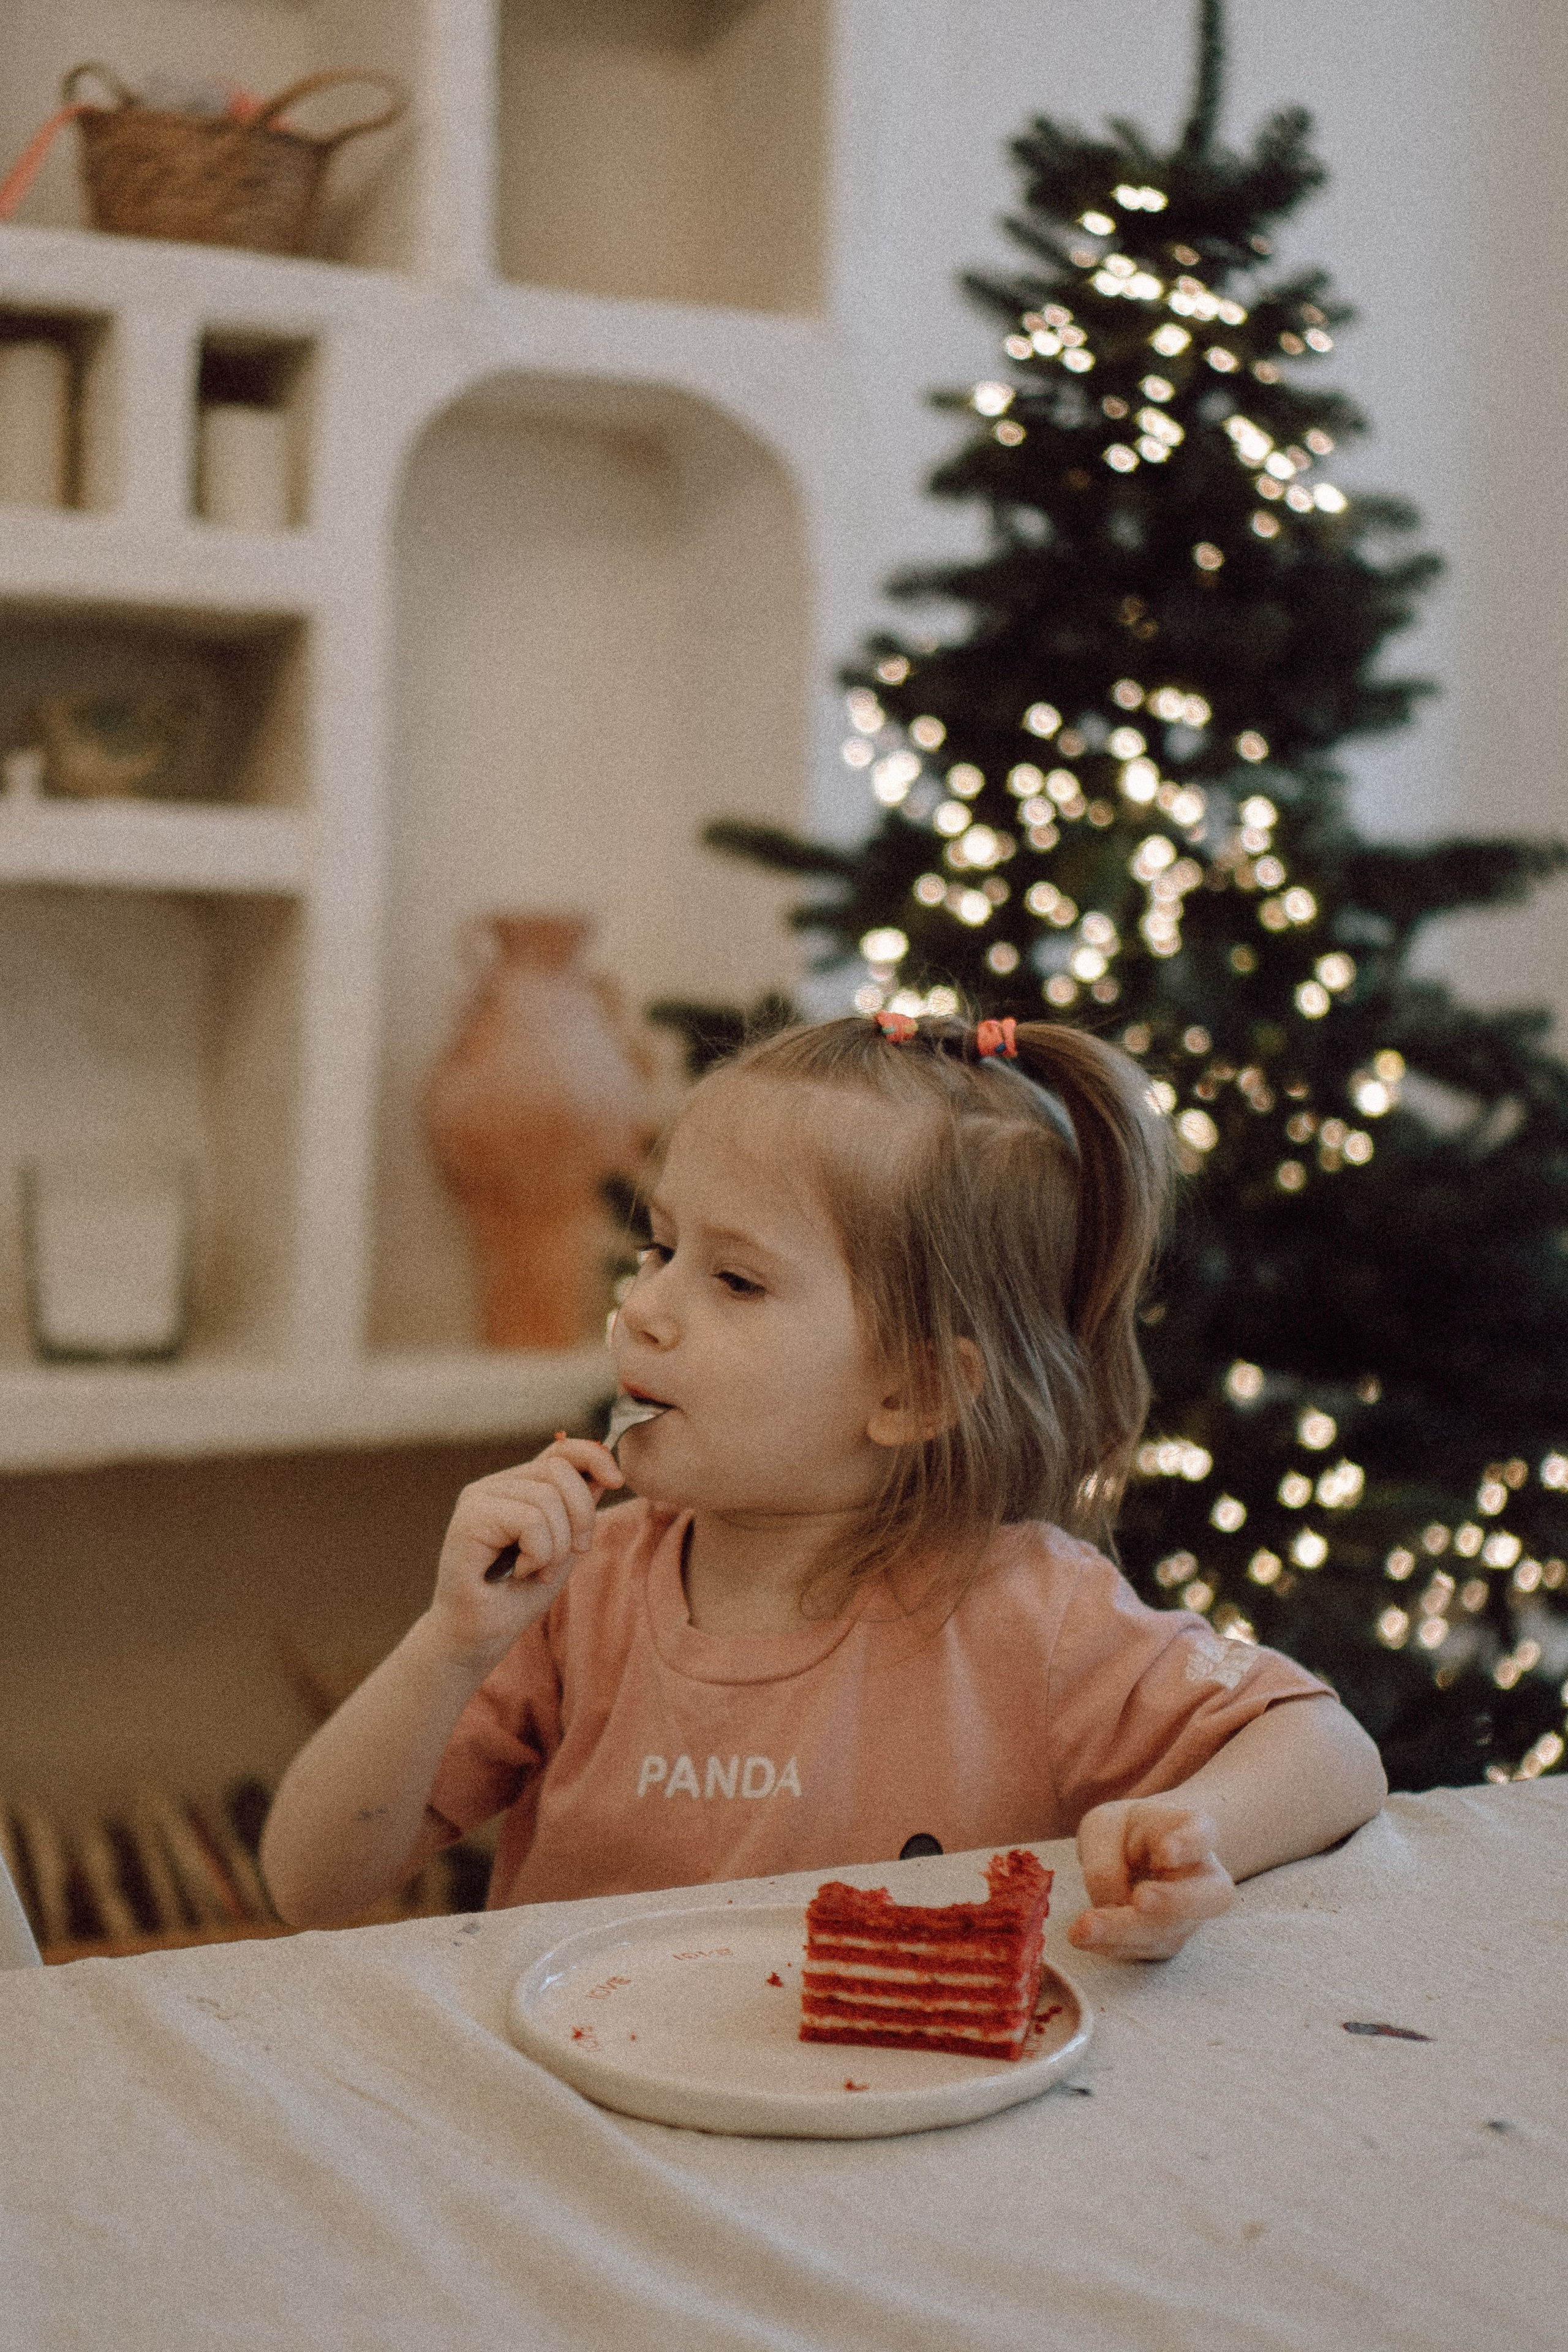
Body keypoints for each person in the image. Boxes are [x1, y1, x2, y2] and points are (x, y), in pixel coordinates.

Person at [261, 1012, 1385, 1959]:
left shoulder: (1031, 1615)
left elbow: (1328, 1749)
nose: (643, 1306)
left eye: (736, 1279)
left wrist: (1197, 1826)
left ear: (913, 1390)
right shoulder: (574, 1592)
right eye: (658, 1249)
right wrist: (450, 1644)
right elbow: (309, 1884)